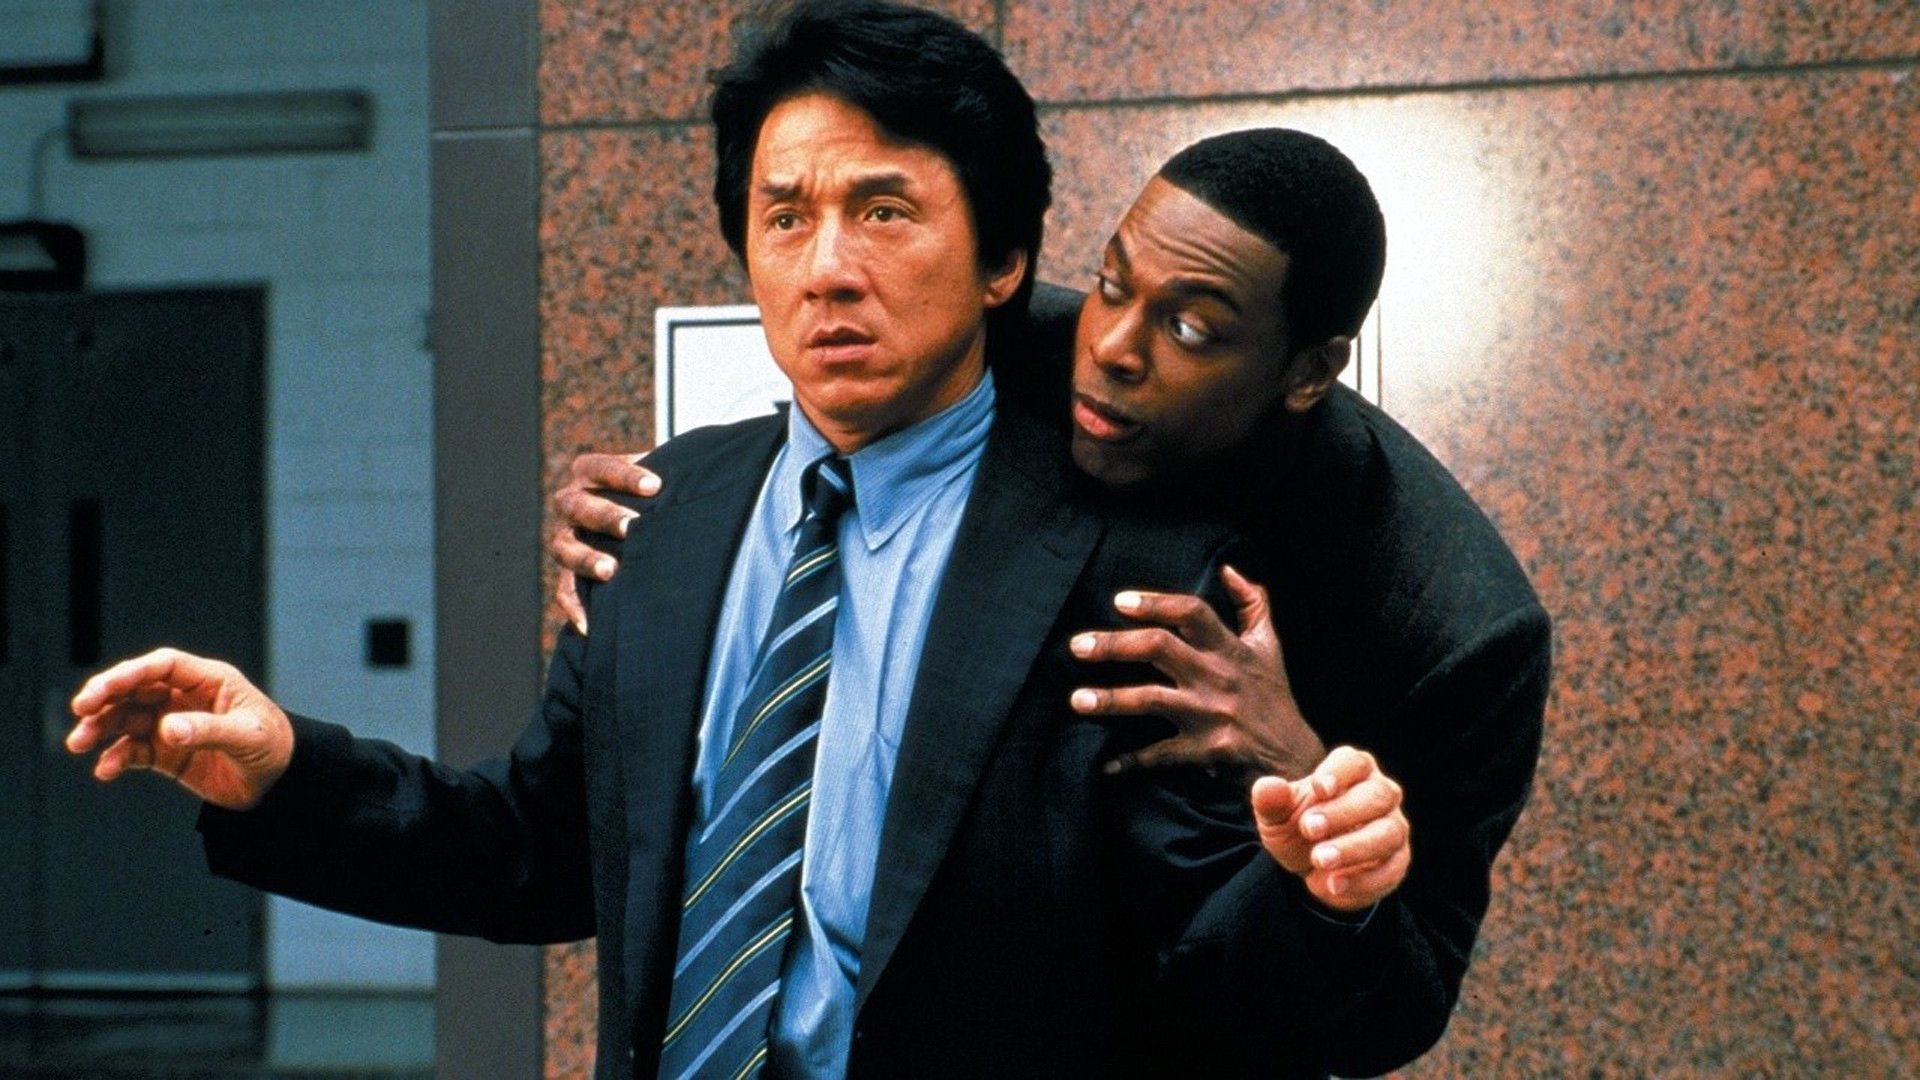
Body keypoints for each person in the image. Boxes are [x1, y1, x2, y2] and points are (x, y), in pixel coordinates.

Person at [65, 4, 1426, 1078]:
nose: (827, 267)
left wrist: (1323, 888)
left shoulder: (1134, 569)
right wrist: (285, 770)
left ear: (1005, 260)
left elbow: (1204, 982)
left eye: (884, 211)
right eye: (786, 217)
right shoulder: (661, 512)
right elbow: (539, 849)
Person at [550, 126, 1553, 1075]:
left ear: (1311, 371)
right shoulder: (1024, 344)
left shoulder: (1457, 626)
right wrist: (659, 512)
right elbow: (823, 419)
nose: (1113, 346)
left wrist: (1298, 766)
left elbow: (1399, 1011)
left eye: (1191, 327)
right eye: (1113, 284)